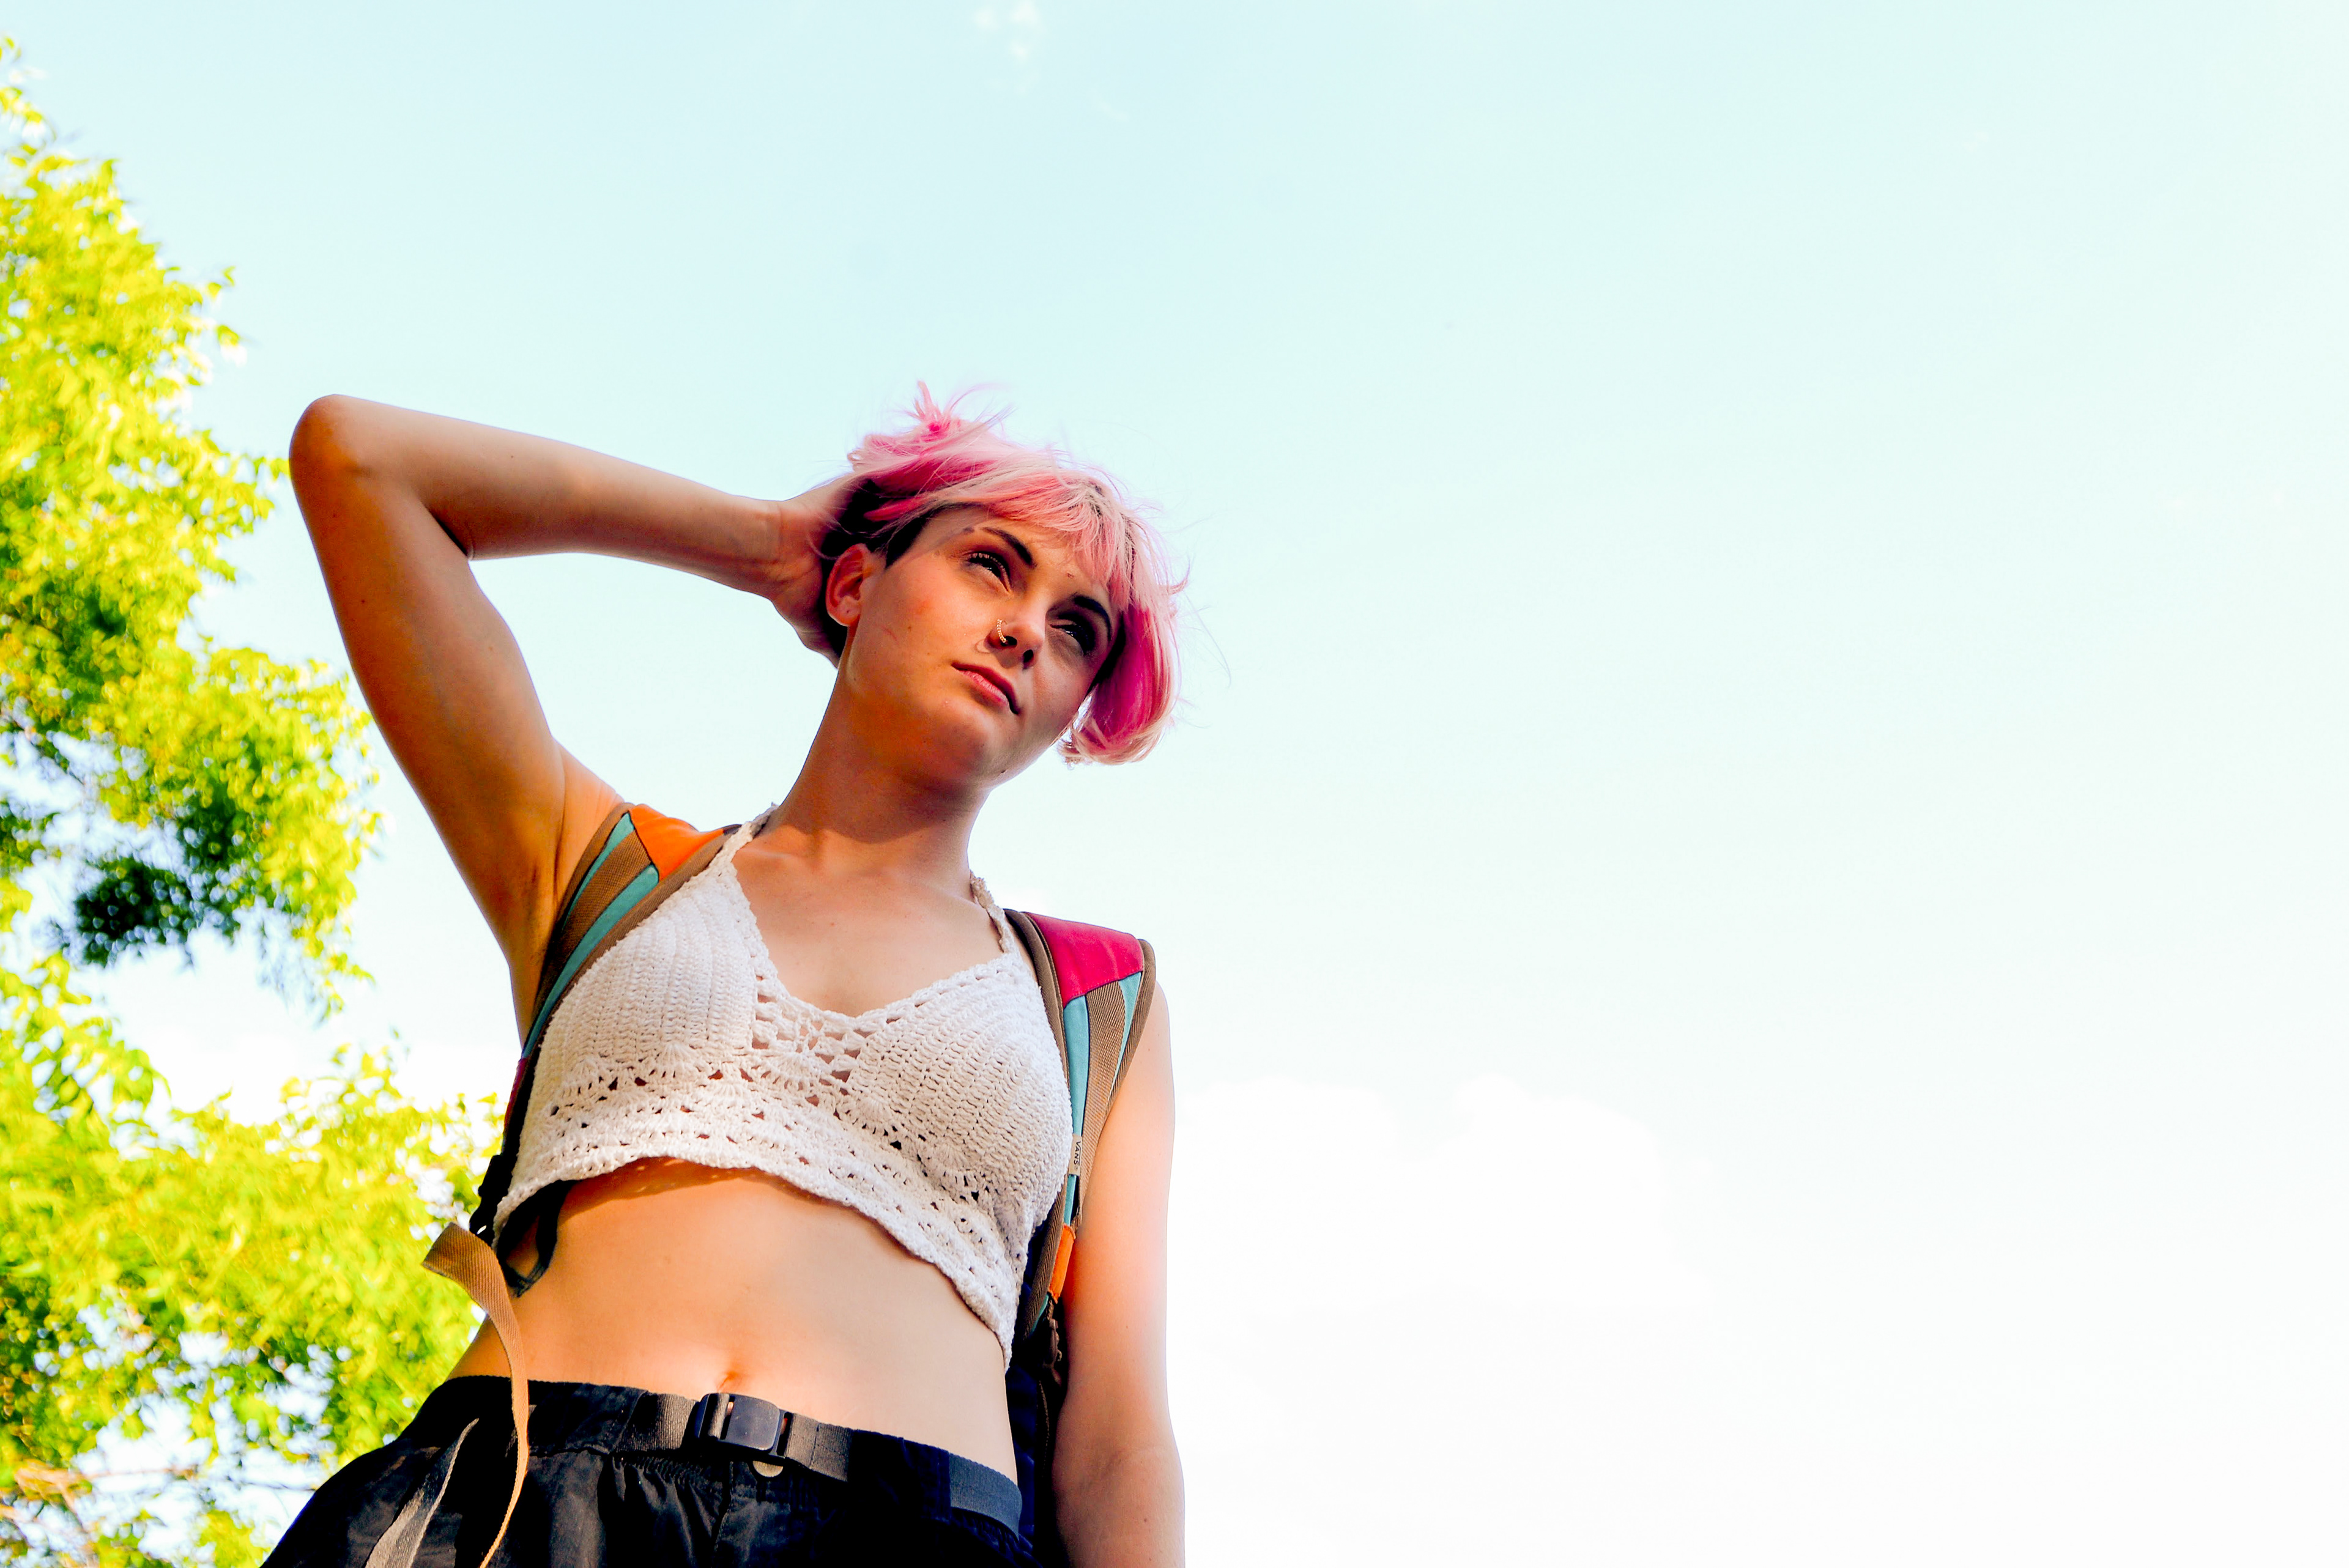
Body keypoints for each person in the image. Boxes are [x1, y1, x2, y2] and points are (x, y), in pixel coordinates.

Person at [264, 389, 1184, 1567]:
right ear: (853, 586)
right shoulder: (606, 871)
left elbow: (1117, 1442)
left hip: (913, 1539)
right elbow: (358, 460)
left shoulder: (1098, 999)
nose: (1026, 632)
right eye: (988, 565)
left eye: (1077, 630)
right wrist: (766, 545)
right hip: (516, 1510)